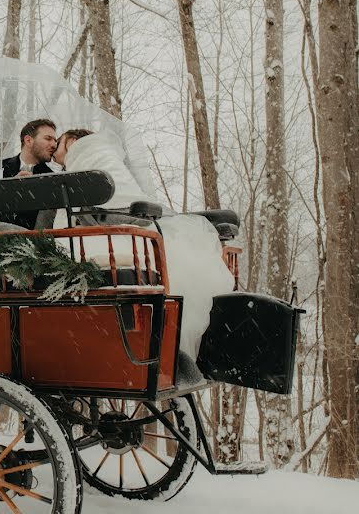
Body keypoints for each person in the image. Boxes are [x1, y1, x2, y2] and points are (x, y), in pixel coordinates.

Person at [52, 127, 234, 360]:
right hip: (141, 233)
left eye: (58, 143)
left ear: (73, 142)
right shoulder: (109, 159)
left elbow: (72, 218)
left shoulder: (82, 162)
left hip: (114, 233)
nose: (54, 153)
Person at [0, 119, 58, 229]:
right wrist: (8, 189)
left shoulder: (51, 177)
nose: (54, 145)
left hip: (31, 242)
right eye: (48, 138)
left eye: (55, 140)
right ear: (28, 141)